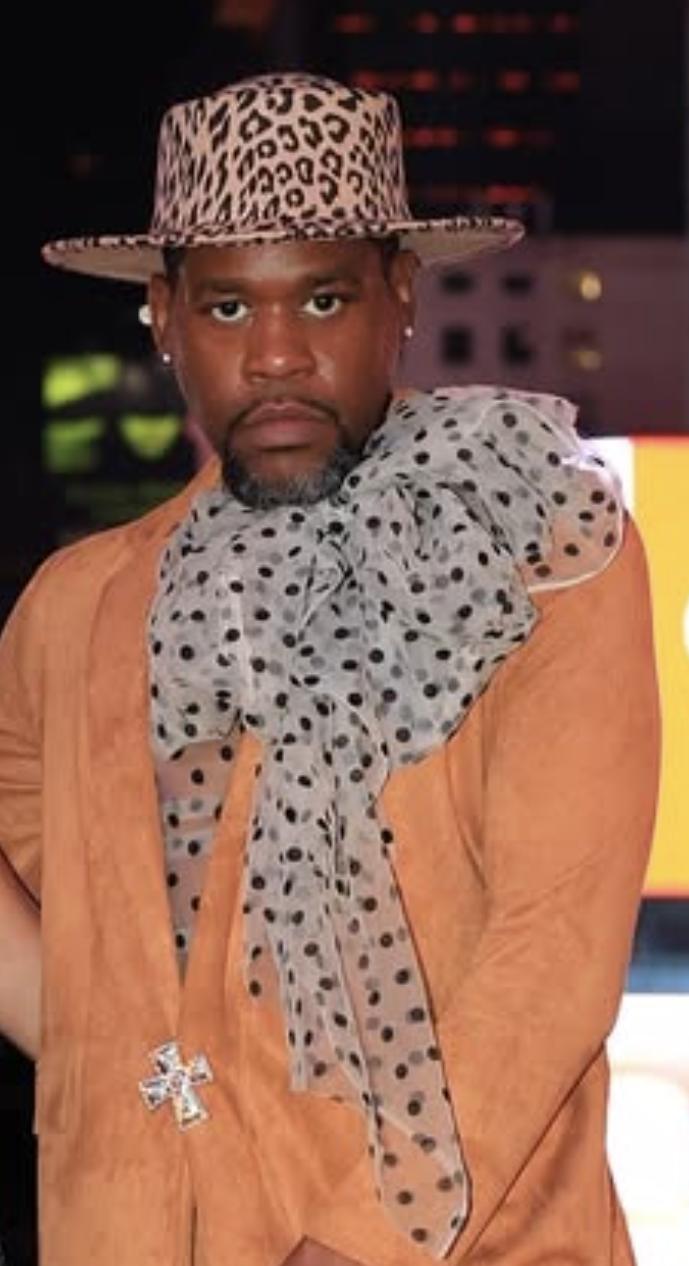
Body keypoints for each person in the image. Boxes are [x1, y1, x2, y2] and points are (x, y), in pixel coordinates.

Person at [0, 71, 660, 1266]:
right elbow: (100, 1010)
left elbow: (550, 960)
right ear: (160, 315)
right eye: (226, 308)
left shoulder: (537, 553)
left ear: (399, 294)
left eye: (320, 295)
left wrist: (357, 1248)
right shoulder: (73, 611)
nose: (277, 359)